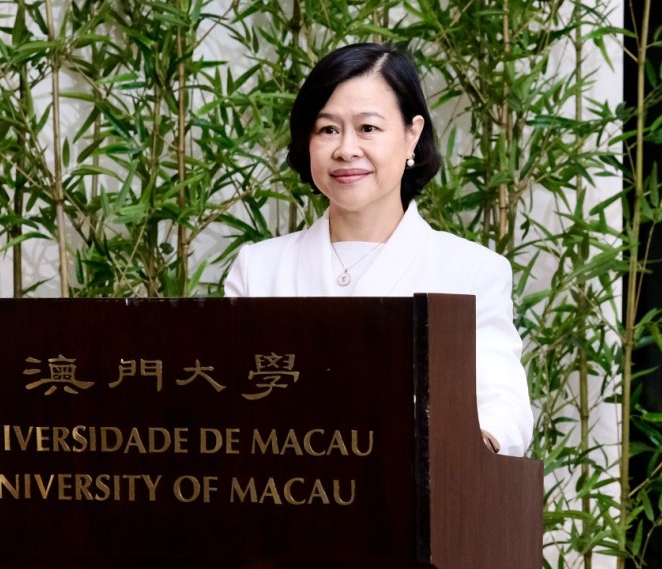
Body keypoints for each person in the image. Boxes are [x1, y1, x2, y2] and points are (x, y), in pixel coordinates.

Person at [224, 43, 533, 457]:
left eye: (368, 128)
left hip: (414, 491)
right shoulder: (258, 267)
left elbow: (503, 407)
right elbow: (229, 404)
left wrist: (467, 449)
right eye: (327, 129)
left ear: (412, 135)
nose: (346, 149)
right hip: (283, 491)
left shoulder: (472, 270)